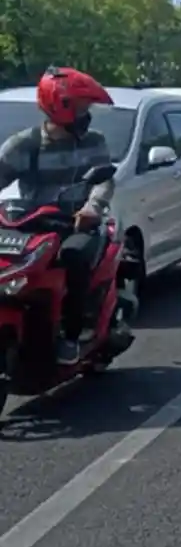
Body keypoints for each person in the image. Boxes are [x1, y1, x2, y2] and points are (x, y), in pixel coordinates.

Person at [0, 67, 117, 365]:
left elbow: (104, 180)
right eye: (81, 107)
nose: (86, 114)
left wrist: (94, 207)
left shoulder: (94, 141)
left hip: (76, 223)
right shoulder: (23, 145)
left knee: (74, 257)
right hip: (31, 224)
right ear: (60, 106)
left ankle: (71, 334)